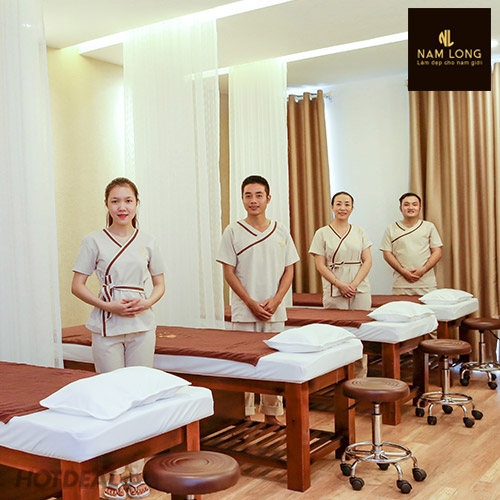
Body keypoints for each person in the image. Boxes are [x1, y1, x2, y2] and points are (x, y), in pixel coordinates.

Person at [71, 177, 165, 500]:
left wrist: (147, 302)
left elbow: (160, 285)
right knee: (111, 401)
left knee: (139, 398)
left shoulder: (148, 241)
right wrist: (107, 305)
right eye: (115, 201)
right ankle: (114, 471)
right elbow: (77, 285)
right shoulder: (93, 240)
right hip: (107, 326)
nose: (122, 207)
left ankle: (136, 468)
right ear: (107, 205)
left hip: (142, 327)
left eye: (128, 200)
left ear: (137, 204)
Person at [216, 175, 299, 425]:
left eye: (258, 195)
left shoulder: (281, 230)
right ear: (242, 199)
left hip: (274, 310)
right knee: (243, 364)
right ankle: (243, 414)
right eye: (248, 195)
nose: (253, 200)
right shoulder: (232, 231)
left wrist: (277, 300)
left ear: (268, 198)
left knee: (274, 363)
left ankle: (272, 413)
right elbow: (228, 272)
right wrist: (250, 303)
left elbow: (289, 269)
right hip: (244, 310)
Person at [309, 191, 372, 310]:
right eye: (338, 204)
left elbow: (368, 261)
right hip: (334, 287)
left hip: (359, 286)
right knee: (335, 320)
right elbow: (320, 265)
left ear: (352, 208)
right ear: (332, 207)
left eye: (347, 204)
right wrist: (340, 285)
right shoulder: (321, 233)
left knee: (361, 319)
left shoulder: (360, 231)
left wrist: (354, 285)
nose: (342, 208)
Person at [380, 192, 443, 295]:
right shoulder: (391, 229)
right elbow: (387, 254)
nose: (410, 207)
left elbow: (437, 252)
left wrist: (423, 270)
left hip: (427, 284)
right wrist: (403, 271)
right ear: (400, 208)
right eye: (406, 204)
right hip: (401, 285)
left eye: (414, 204)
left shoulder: (429, 227)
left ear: (420, 208)